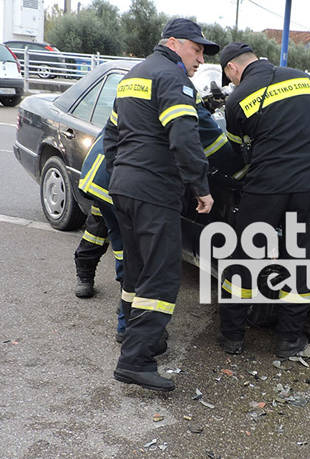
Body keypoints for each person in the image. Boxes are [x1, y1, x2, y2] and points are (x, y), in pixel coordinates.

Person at [105, 18, 219, 392]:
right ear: (173, 43)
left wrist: (123, 171)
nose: (200, 58)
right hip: (154, 191)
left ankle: (143, 339)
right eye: (196, 49)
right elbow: (185, 137)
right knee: (163, 275)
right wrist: (201, 187)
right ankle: (136, 360)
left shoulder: (133, 75)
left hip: (124, 186)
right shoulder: (173, 80)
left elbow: (111, 134)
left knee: (137, 270)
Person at [78, 93, 242, 345]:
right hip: (125, 185)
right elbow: (216, 149)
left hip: (103, 176)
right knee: (135, 259)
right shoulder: (181, 98)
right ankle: (130, 324)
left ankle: (96, 288)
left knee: (108, 234)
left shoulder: (143, 92)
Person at [218, 42, 310, 358]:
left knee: (243, 259)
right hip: (307, 186)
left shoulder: (236, 100)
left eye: (229, 77)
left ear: (232, 68)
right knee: (299, 263)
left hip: (264, 189)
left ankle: (232, 338)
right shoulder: (304, 80)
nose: (231, 83)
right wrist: (309, 161)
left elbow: (238, 152)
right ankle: (289, 342)